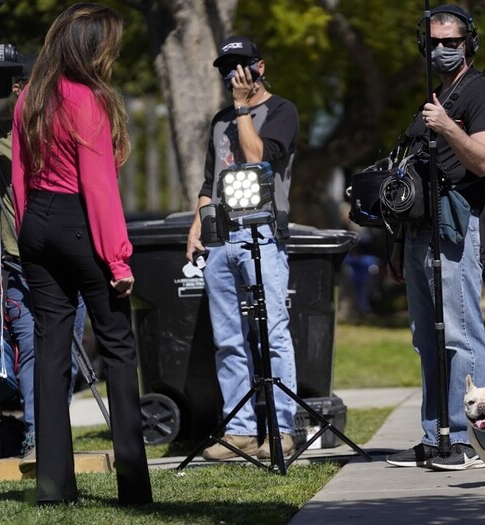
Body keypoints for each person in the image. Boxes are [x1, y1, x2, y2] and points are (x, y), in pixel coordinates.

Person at [11, 3, 152, 505]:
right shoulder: (86, 100)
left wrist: (31, 233)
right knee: (117, 346)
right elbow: (98, 187)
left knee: (51, 350)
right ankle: (134, 486)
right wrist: (118, 259)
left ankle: (53, 488)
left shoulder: (31, 95)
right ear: (92, 48)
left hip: (37, 227)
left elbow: (19, 177)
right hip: (79, 224)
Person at [385, 4, 485, 470]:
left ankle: (472, 439)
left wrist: (448, 126)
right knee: (427, 339)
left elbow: (483, 161)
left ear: (468, 44)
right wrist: (395, 244)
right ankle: (435, 433)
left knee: (459, 333)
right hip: (418, 232)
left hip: (456, 226)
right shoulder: (433, 100)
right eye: (434, 42)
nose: (441, 50)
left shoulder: (483, 95)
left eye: (451, 42)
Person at [185, 36, 300, 460]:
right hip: (220, 238)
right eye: (225, 69)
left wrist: (243, 108)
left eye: (241, 67)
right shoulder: (219, 121)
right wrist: (197, 223)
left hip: (264, 234)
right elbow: (209, 180)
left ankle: (283, 429)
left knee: (272, 334)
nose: (232, 76)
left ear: (260, 67)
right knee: (229, 338)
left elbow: (257, 159)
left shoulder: (282, 111)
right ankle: (240, 431)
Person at [0, 56, 89, 474]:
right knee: (32, 350)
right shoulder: (3, 134)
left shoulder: (63, 127)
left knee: (61, 351)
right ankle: (36, 436)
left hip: (70, 259)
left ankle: (53, 434)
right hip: (23, 264)